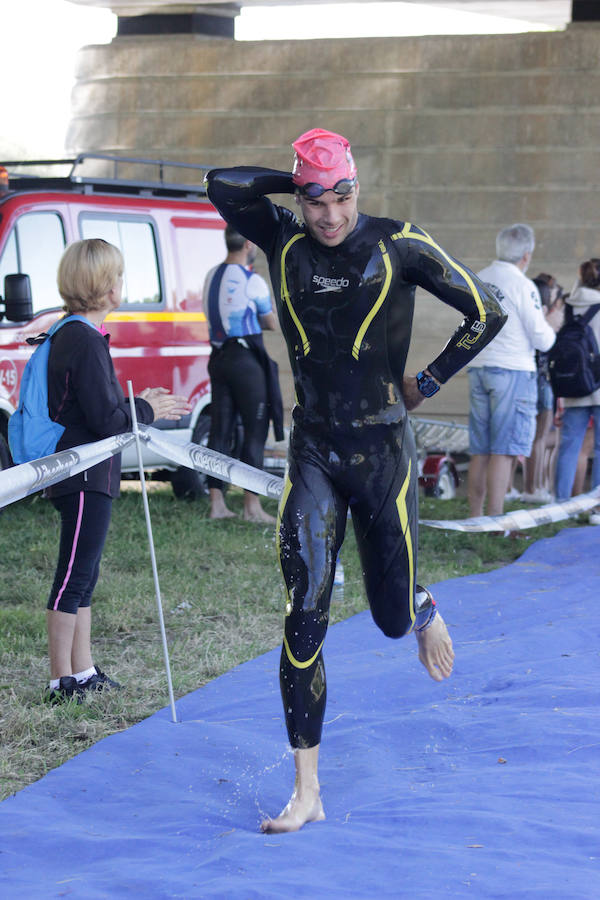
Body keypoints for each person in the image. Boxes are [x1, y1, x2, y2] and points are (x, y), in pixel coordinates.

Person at [206, 127, 506, 833]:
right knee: (303, 615)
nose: (330, 215)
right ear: (299, 198)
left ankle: (422, 600)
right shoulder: (281, 239)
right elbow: (223, 182)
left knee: (390, 617)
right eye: (315, 200)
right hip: (313, 451)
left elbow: (485, 310)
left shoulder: (397, 242)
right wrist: (296, 180)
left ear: (358, 190)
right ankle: (306, 789)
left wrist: (429, 380)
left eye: (341, 196)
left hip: (382, 455)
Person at [45, 239, 190, 704]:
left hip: (92, 474)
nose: (121, 284)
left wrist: (136, 403)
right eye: (119, 276)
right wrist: (147, 407)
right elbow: (107, 419)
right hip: (83, 474)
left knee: (85, 574)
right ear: (105, 287)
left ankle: (82, 670)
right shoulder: (82, 340)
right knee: (73, 575)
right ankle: (59, 680)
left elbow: (103, 410)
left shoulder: (80, 336)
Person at [466, 224, 563, 518]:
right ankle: (496, 519)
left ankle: (474, 516)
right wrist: (553, 324)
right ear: (526, 255)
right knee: (504, 449)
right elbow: (542, 339)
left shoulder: (479, 278)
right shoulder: (524, 286)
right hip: (512, 371)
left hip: (478, 367)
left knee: (480, 449)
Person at [203, 225, 281, 523]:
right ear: (249, 244)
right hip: (246, 361)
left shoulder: (211, 276)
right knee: (255, 429)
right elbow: (271, 322)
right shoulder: (252, 280)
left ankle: (217, 504)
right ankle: (251, 506)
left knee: (220, 428)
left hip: (219, 357)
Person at [554, 259, 600, 501]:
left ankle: (560, 504)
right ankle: (597, 507)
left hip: (574, 385)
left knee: (569, 447)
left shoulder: (568, 306)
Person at [520, 273, 564, 503]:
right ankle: (532, 489)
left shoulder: (529, 314)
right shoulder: (543, 318)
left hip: (533, 377)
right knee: (538, 437)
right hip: (541, 379)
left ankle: (532, 488)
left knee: (535, 437)